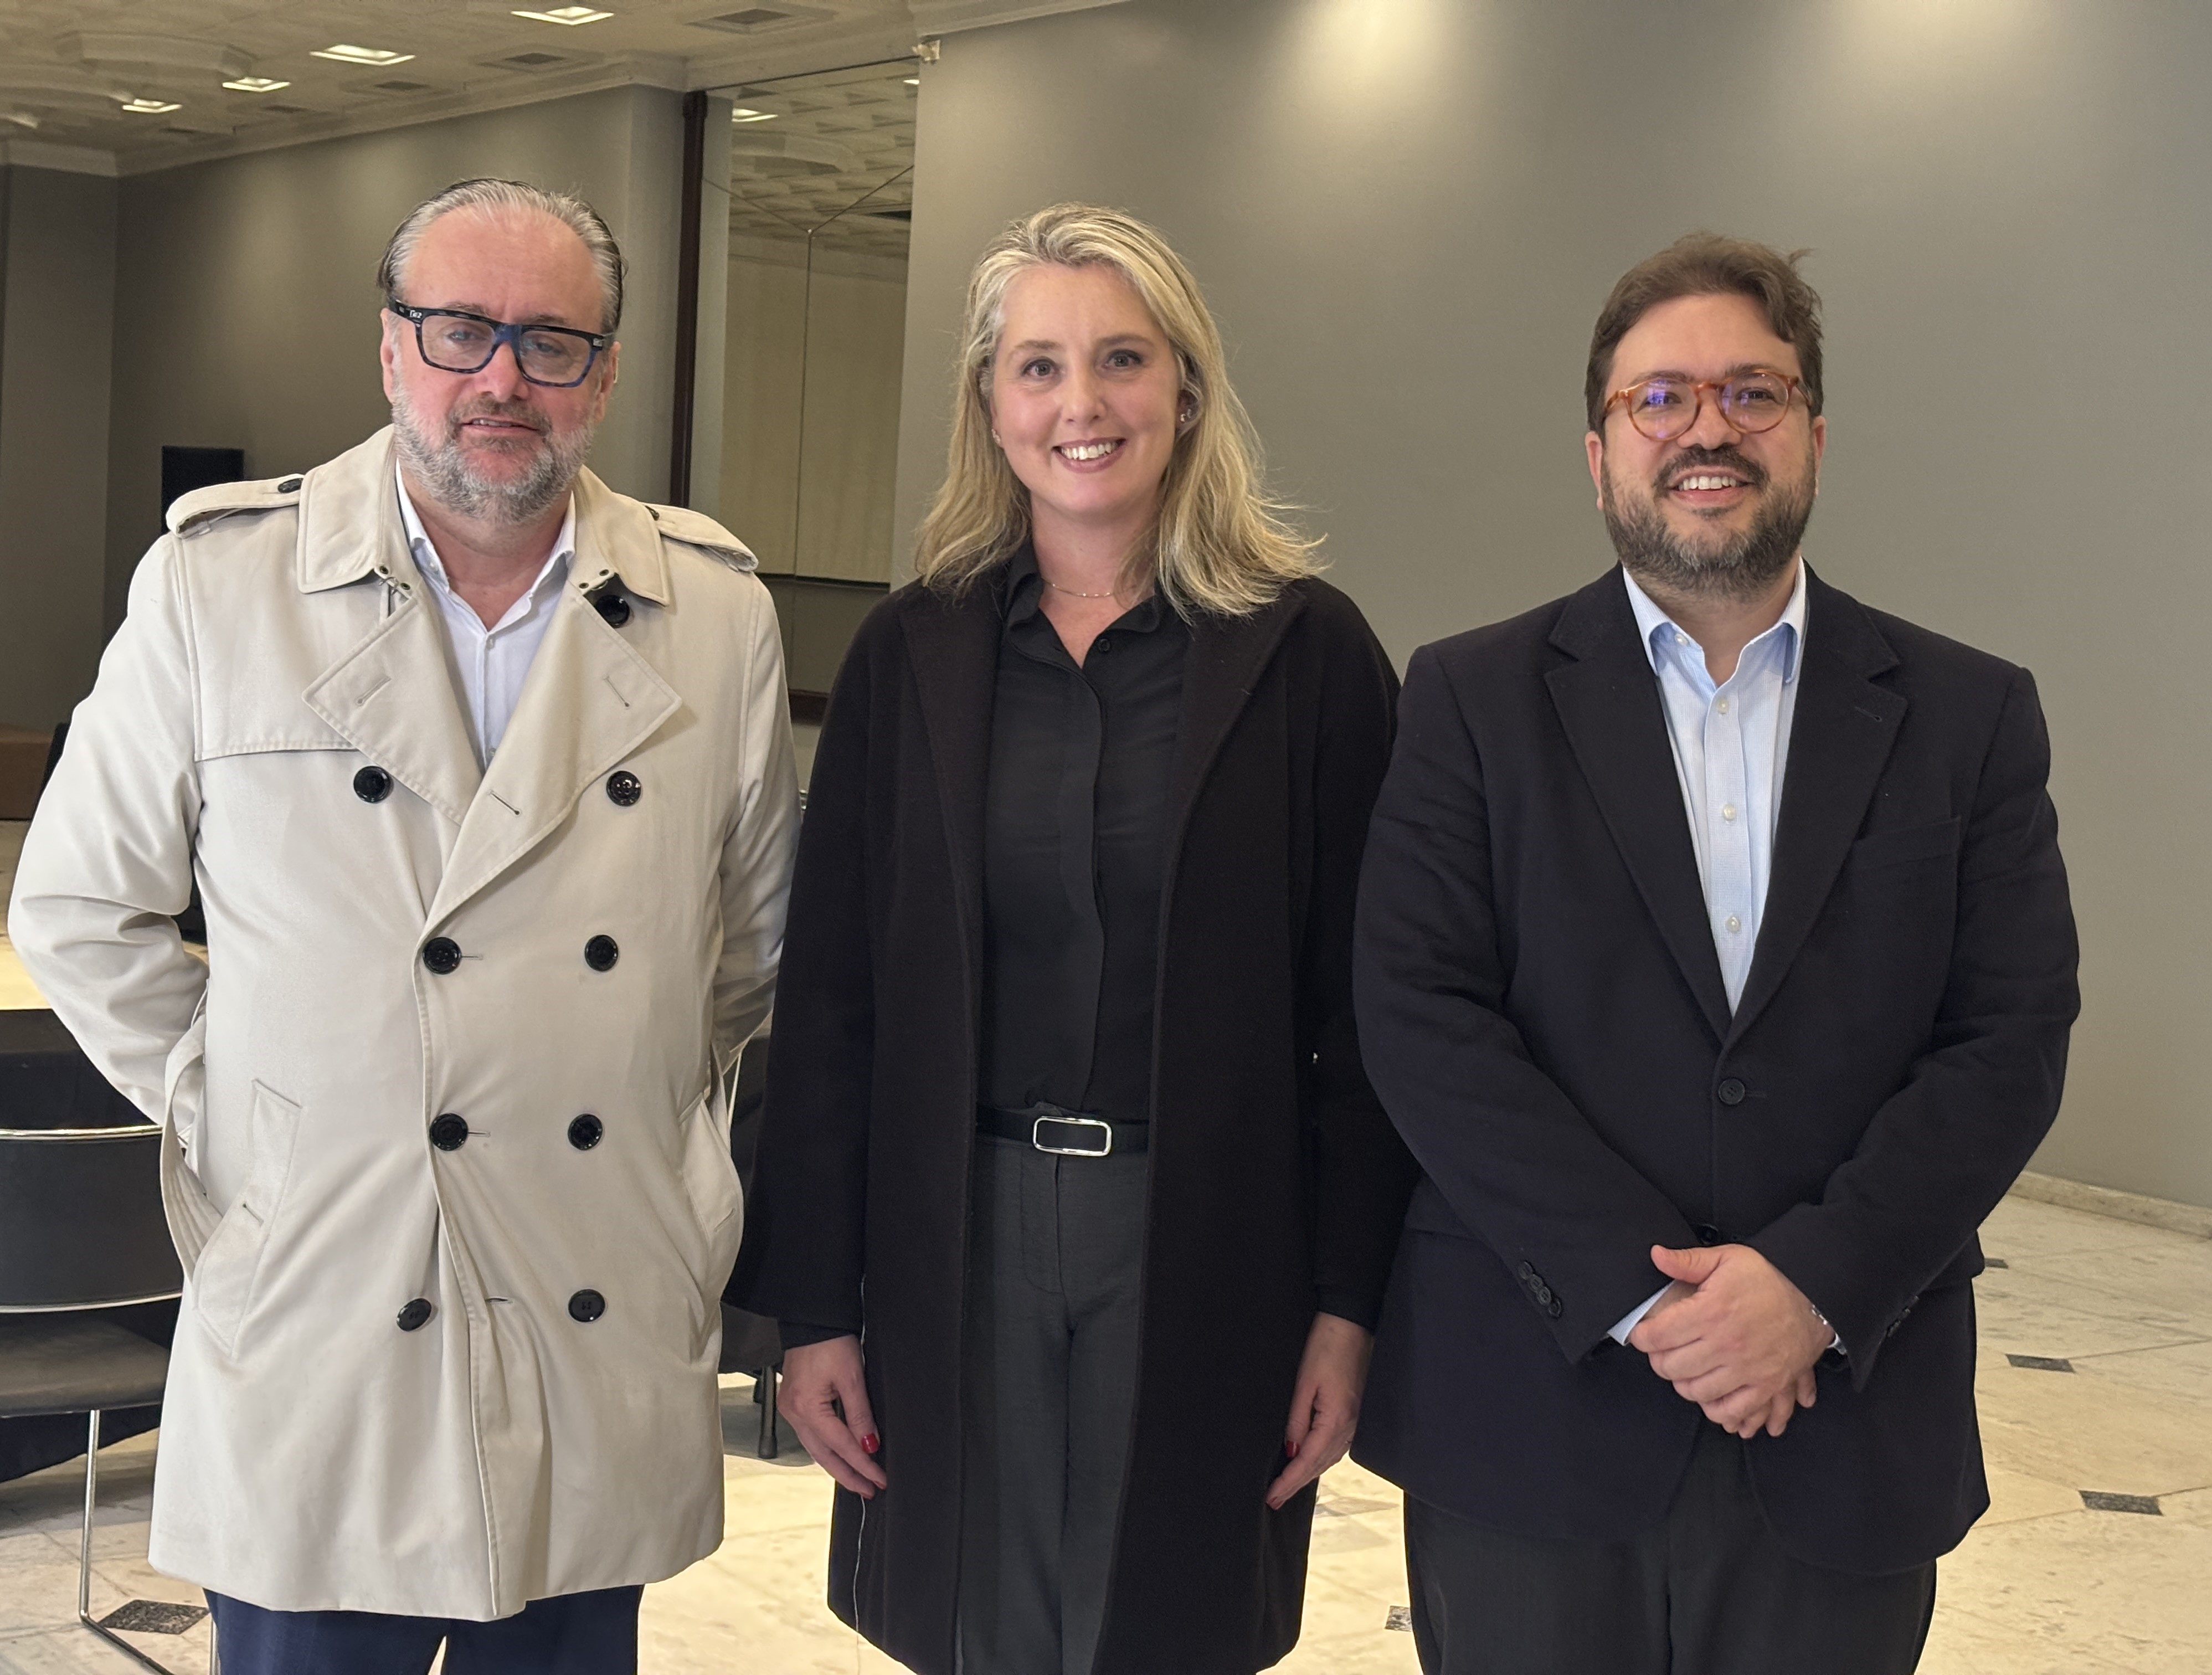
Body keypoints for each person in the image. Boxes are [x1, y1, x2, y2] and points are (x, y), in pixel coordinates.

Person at [8, 178, 796, 1673]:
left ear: (603, 375)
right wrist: (256, 1105)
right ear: (390, 349)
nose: (502, 376)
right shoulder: (222, 582)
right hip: (328, 1297)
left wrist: (621, 1094)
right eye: (458, 330)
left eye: (552, 341)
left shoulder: (712, 612)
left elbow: (747, 947)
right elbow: (77, 906)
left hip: (590, 1291)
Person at [1351, 232, 2081, 1674]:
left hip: (1846, 1418)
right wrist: (1648, 1298)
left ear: (1814, 434)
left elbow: (2010, 1039)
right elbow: (1421, 1016)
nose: (1708, 428)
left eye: (1753, 392)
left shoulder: (1969, 716)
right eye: (1660, 397)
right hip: (1533, 1414)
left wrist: (1812, 1285)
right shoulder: (1471, 700)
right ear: (1599, 451)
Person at [740, 203, 1417, 1675]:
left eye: (1123, 358)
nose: (1081, 404)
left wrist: (1349, 1304)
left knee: (1161, 1625)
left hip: (1209, 1229)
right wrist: (813, 1309)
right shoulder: (909, 653)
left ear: (1187, 389)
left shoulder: (1309, 657)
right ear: (990, 404)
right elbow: (835, 1003)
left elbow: (1369, 1024)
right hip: (954, 1224)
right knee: (974, 1626)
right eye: (1038, 366)